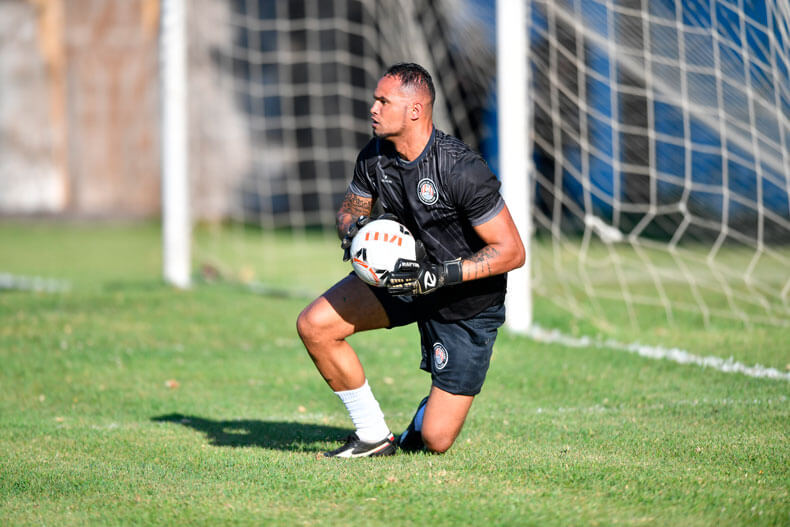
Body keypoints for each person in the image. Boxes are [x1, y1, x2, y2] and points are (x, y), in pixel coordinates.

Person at [296, 63, 525, 457]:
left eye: (384, 101)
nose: (373, 108)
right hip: (400, 279)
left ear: (415, 110)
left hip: (465, 301)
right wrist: (353, 231)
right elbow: (351, 208)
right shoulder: (374, 156)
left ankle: (423, 420)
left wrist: (440, 276)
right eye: (375, 99)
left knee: (436, 440)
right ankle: (372, 436)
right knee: (315, 325)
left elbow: (512, 251)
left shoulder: (461, 168)